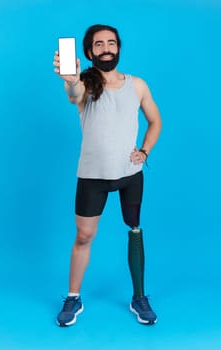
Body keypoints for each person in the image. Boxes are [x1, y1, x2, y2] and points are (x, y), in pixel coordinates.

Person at [53, 24, 162, 327]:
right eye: (98, 44)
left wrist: (145, 151)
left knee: (135, 229)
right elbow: (74, 93)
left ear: (118, 48)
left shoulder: (137, 85)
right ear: (89, 52)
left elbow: (155, 121)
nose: (106, 48)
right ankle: (73, 297)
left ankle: (139, 297)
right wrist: (71, 80)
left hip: (130, 174)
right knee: (84, 236)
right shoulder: (86, 85)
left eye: (111, 43)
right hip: (92, 176)